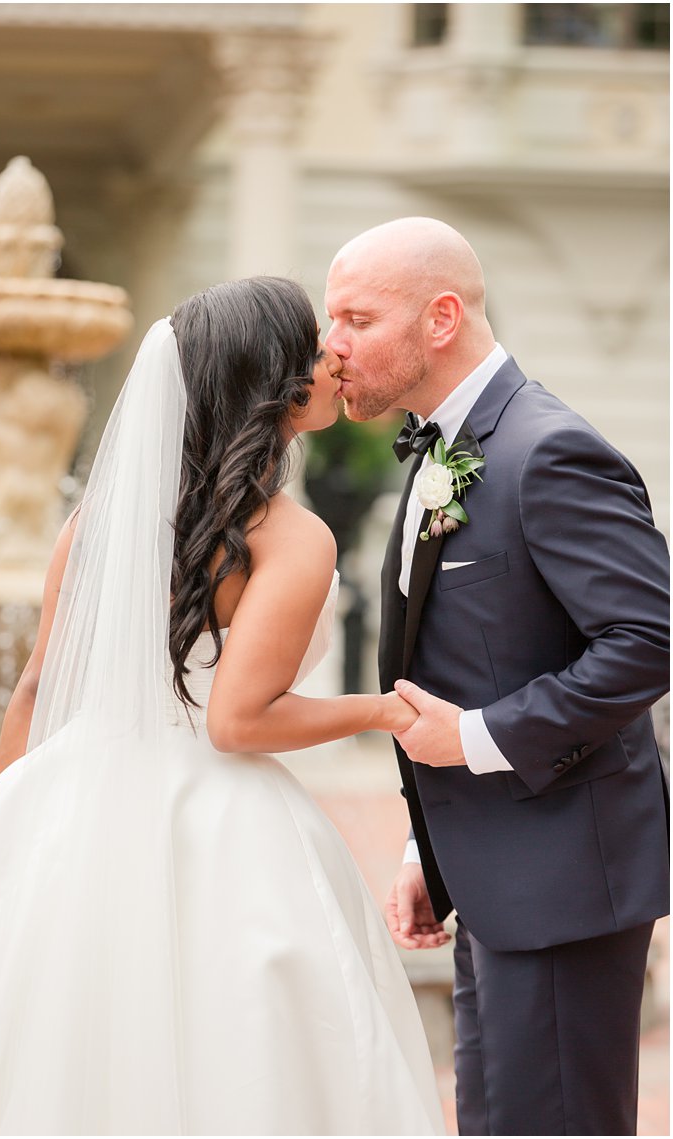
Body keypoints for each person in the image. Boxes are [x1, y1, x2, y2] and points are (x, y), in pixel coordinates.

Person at [0, 277, 444, 1135]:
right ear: (272, 380)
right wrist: (379, 711)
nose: (334, 359)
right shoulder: (290, 535)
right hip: (222, 822)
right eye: (314, 348)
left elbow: (37, 687)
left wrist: (13, 828)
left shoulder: (95, 520)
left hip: (75, 795)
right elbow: (237, 723)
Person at [325, 216, 670, 1136]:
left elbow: (648, 638)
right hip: (490, 878)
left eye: (356, 318)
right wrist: (422, 848)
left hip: (562, 888)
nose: (333, 345)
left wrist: (474, 740)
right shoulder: (444, 444)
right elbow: (463, 661)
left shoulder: (548, 449)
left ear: (441, 319)